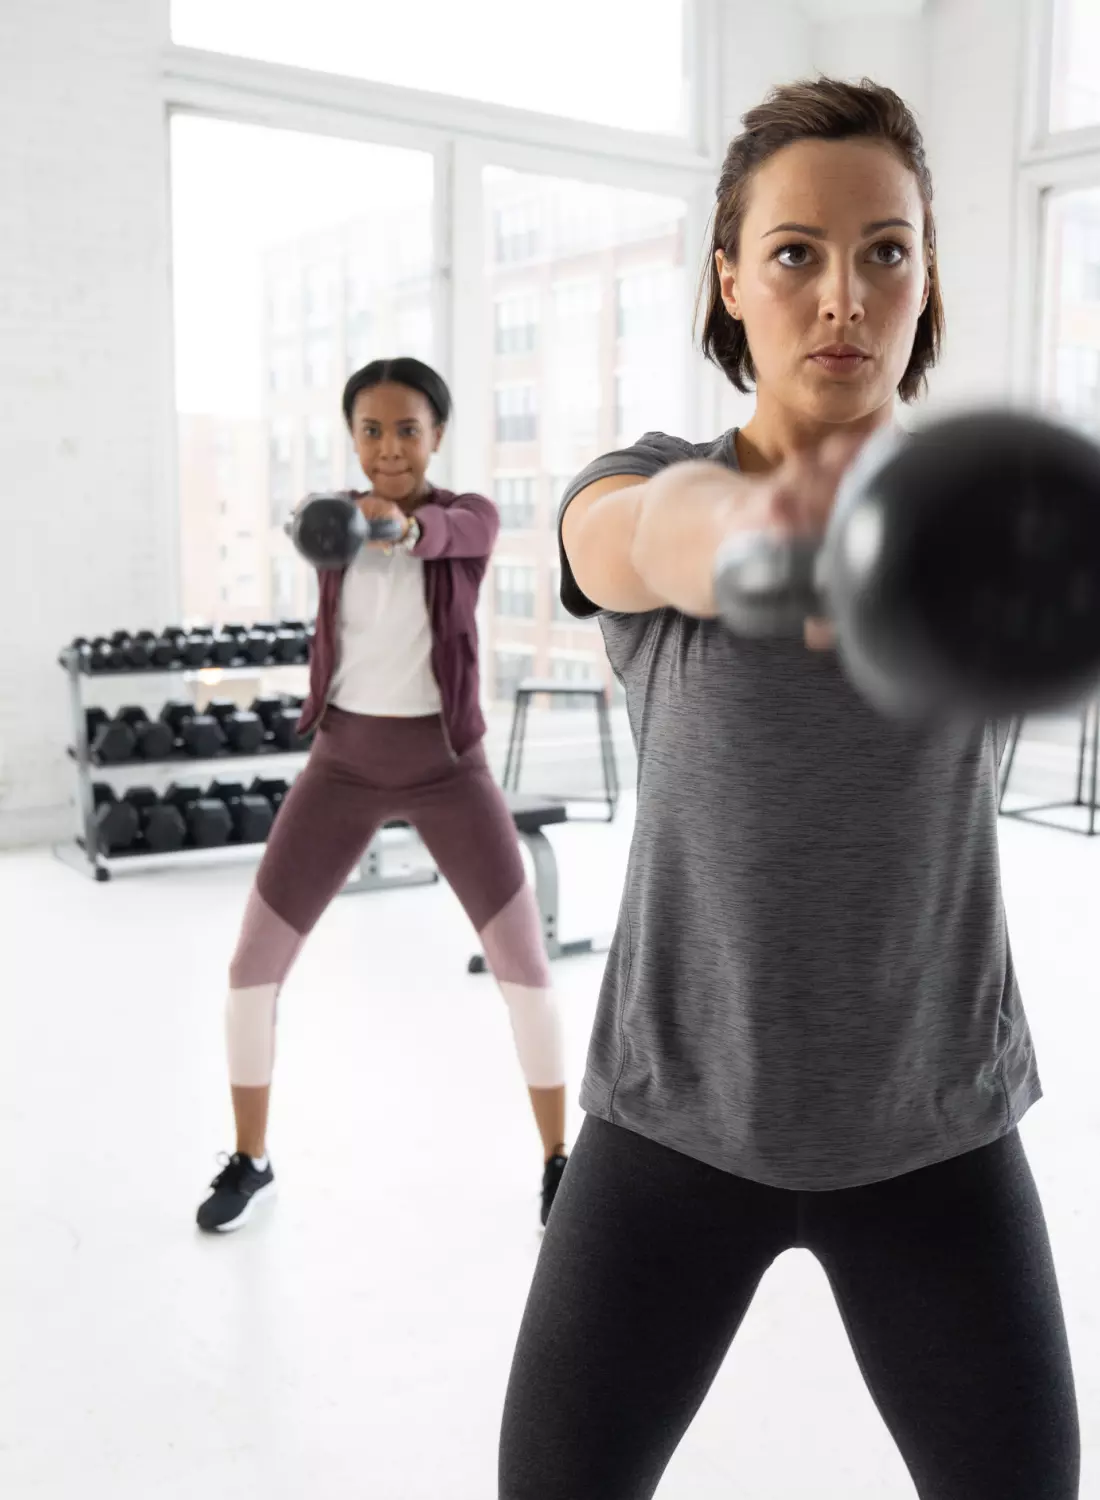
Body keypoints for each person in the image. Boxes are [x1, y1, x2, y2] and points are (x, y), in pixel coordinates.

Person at [498, 78, 1081, 1499]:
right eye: (797, 254)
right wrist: (790, 541)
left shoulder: (981, 525)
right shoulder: (639, 483)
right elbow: (659, 538)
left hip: (933, 1125)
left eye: (887, 251)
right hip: (674, 1122)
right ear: (730, 279)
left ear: (928, 276)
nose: (844, 297)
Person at [196, 357, 569, 1235]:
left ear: (437, 435)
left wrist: (400, 531)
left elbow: (448, 537)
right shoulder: (332, 518)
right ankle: (252, 1159)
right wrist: (343, 522)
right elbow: (307, 524)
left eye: (408, 429)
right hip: (340, 766)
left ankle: (561, 1161)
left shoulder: (468, 517)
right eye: (371, 430)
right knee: (251, 970)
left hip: (448, 769)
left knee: (525, 968)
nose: (389, 447)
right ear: (351, 437)